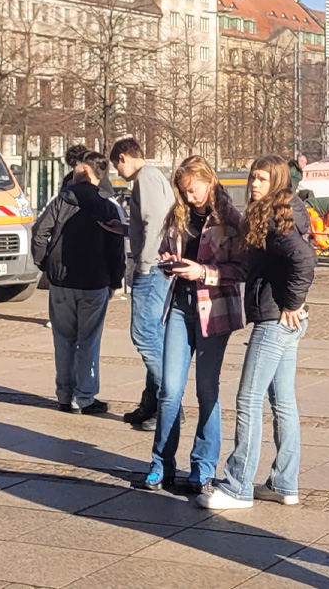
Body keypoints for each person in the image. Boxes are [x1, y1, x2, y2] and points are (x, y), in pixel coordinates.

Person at [201, 156, 314, 510]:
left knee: (248, 399)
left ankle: (237, 486)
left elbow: (304, 260)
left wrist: (292, 303)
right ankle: (284, 482)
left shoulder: (279, 218)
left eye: (262, 179)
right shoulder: (280, 211)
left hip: (276, 319)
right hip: (282, 318)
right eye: (253, 178)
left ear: (277, 181)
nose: (254, 184)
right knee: (282, 402)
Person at [143, 155, 247, 495]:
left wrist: (203, 272)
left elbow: (241, 269)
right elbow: (164, 249)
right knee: (170, 389)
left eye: (194, 190)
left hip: (214, 309)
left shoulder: (229, 218)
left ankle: (203, 466)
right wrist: (168, 263)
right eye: (184, 192)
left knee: (206, 388)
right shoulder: (178, 216)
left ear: (209, 180)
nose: (190, 197)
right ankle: (161, 462)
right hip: (179, 304)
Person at [32, 151, 124, 416]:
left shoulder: (61, 201)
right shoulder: (107, 205)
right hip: (94, 282)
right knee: (88, 340)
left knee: (63, 339)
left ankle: (64, 394)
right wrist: (115, 280)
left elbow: (39, 234)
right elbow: (115, 246)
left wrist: (45, 265)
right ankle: (84, 396)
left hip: (61, 281)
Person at [110, 137, 175, 432]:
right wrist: (125, 229)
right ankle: (151, 403)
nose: (117, 172)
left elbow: (155, 221)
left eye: (116, 166)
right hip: (157, 264)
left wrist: (146, 263)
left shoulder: (145, 178)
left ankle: (169, 400)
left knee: (144, 334)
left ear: (124, 158)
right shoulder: (154, 177)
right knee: (155, 337)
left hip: (152, 268)